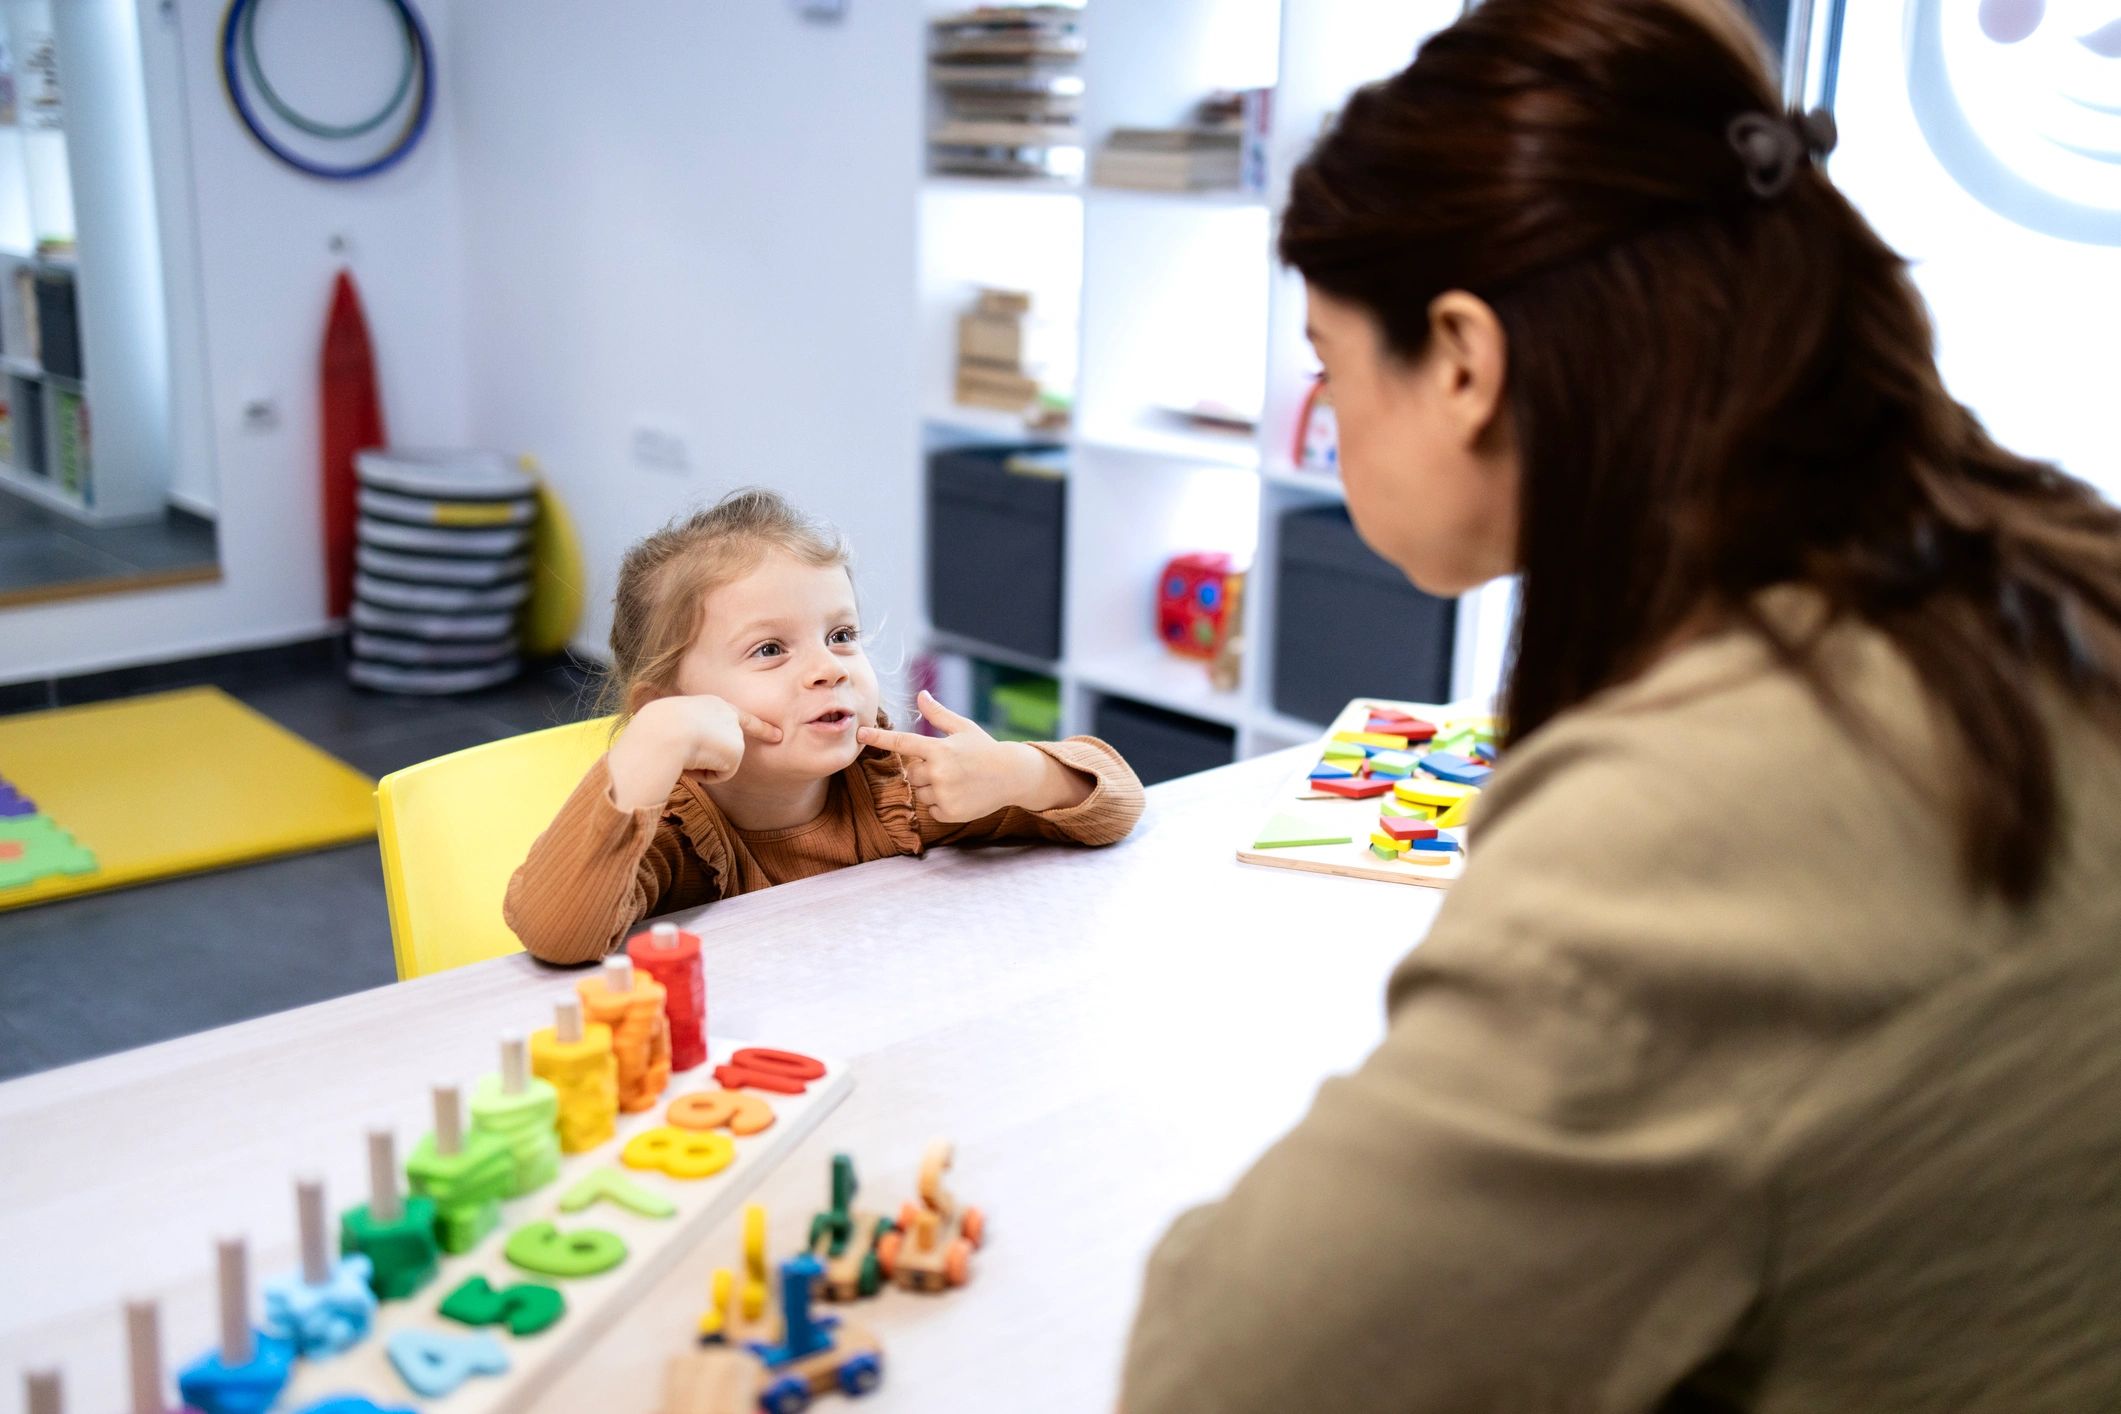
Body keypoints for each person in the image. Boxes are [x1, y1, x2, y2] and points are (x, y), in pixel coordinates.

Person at [1121, 0, 2121, 1408]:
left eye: (1330, 369)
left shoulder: (1703, 818)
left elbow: (1220, 1377)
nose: (1330, 419)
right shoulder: (2060, 574)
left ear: (1463, 359)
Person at [506, 488, 1142, 964]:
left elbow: (1119, 803)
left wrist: (1020, 773)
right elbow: (558, 936)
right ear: (666, 704)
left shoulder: (901, 791)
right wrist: (648, 750)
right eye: (769, 650)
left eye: (840, 636)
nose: (826, 670)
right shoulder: (674, 832)